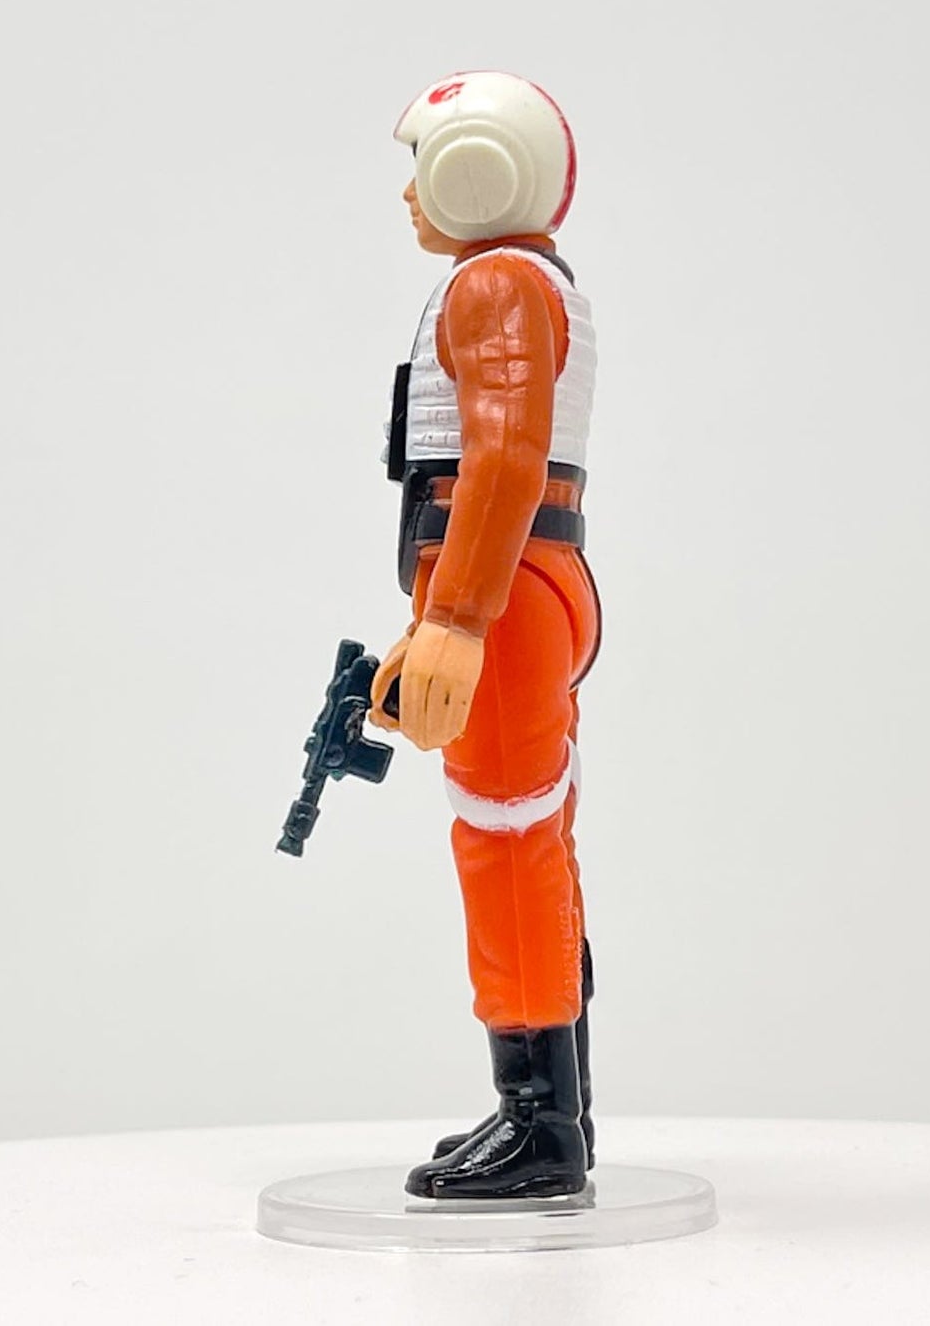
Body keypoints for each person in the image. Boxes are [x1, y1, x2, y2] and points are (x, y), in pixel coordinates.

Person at [370, 73, 602, 1200]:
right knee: (526, 835)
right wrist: (433, 622)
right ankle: (551, 1108)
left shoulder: (496, 284)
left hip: (501, 594)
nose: (408, 192)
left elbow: (500, 462)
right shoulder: (522, 281)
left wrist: (457, 619)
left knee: (503, 839)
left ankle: (539, 1124)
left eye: (424, 166)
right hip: (508, 586)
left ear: (478, 171)